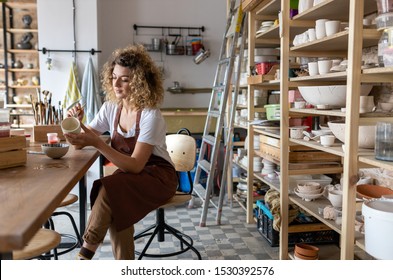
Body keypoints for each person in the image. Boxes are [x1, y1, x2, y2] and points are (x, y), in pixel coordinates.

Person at [65, 44, 178, 260]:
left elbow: (136, 164)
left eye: (124, 79)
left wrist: (98, 143)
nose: (116, 83)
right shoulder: (110, 108)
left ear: (138, 82)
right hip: (131, 176)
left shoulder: (150, 115)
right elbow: (79, 143)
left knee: (109, 190)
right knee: (117, 203)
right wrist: (76, 123)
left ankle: (84, 255)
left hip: (159, 177)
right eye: (114, 76)